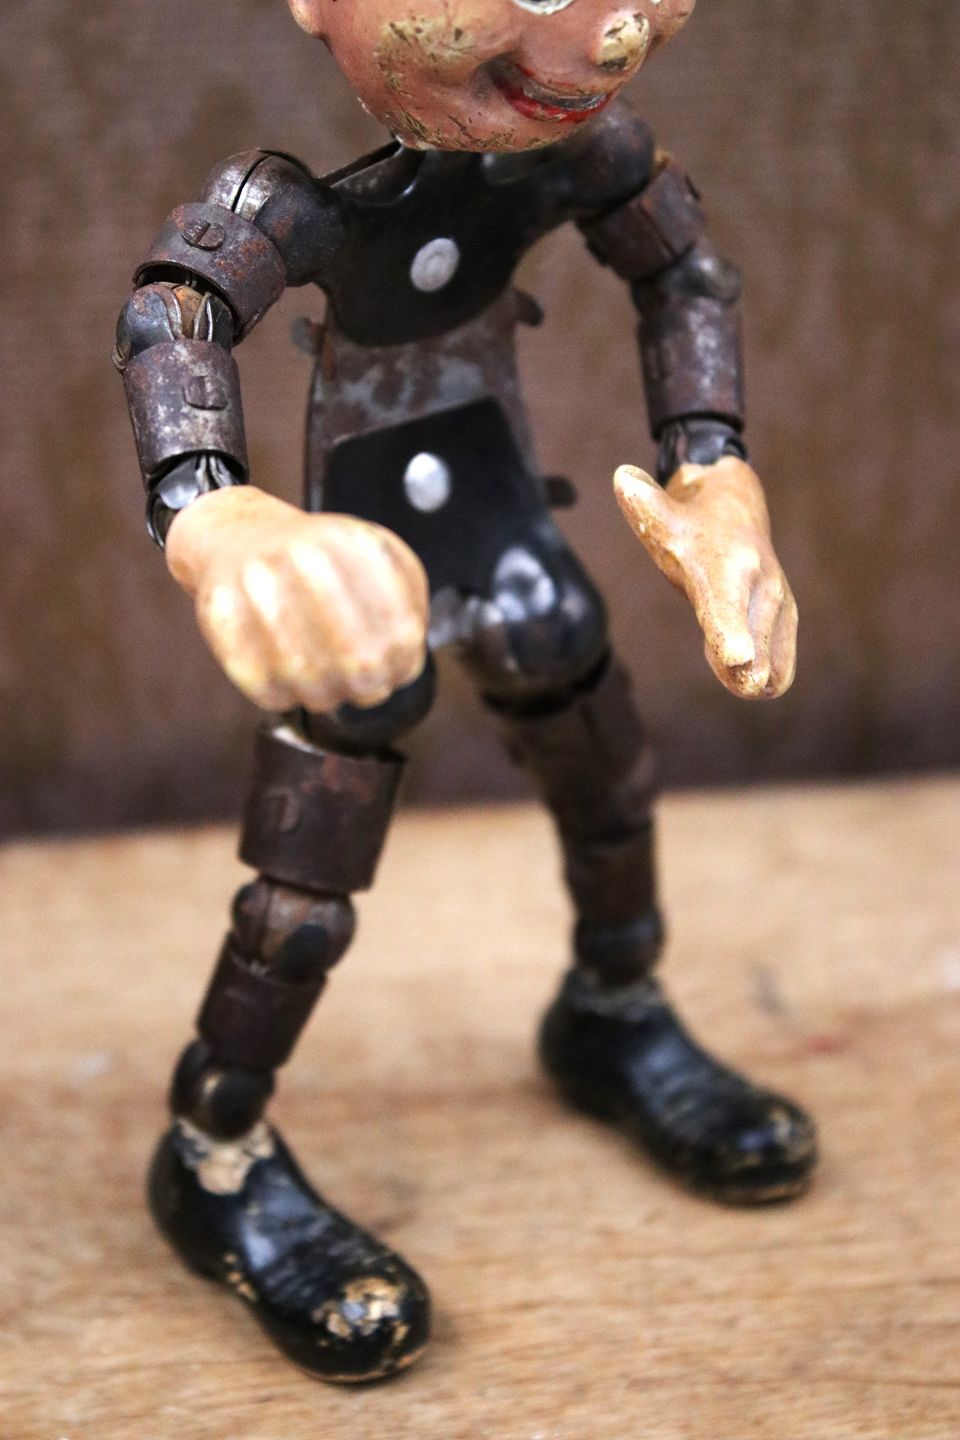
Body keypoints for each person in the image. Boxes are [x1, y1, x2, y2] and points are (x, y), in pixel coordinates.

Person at [115, 0, 815, 1383]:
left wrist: (715, 466)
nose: (608, 33)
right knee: (309, 869)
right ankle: (214, 1145)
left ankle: (614, 1008)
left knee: (602, 756)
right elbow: (173, 313)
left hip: (500, 526)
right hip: (355, 571)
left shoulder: (584, 158)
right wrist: (215, 517)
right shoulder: (291, 211)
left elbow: (684, 270)